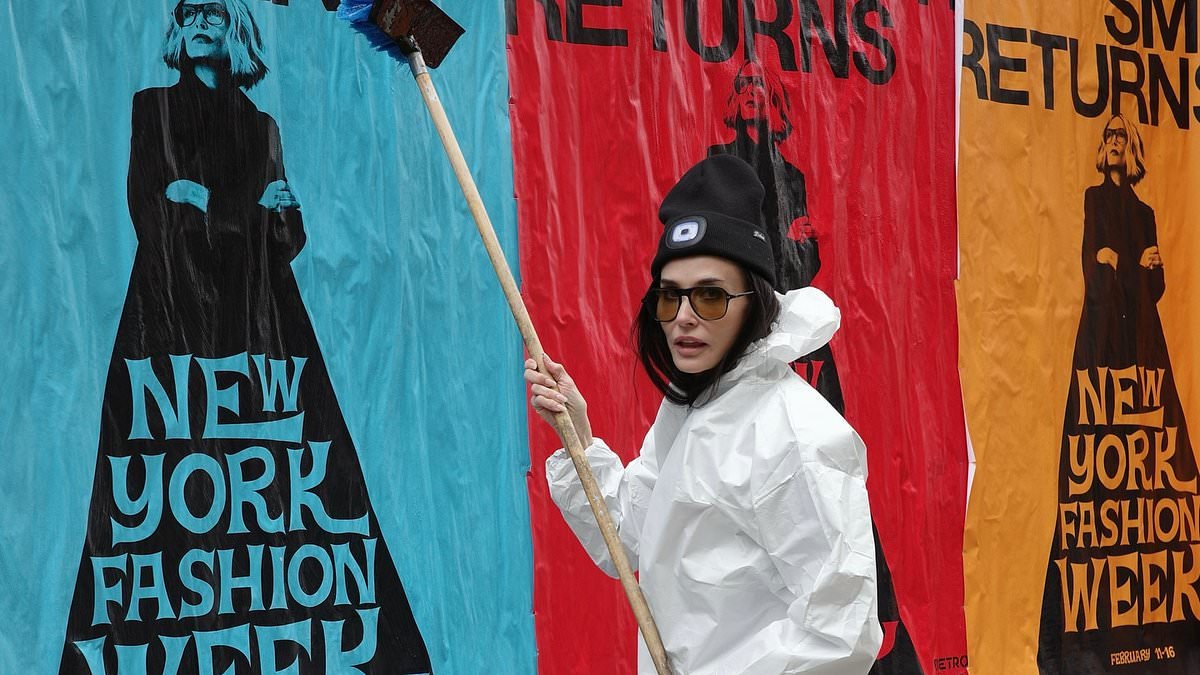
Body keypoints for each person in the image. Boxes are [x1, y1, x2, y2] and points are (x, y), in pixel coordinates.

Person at [58, 2, 431, 671]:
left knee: (296, 478)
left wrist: (232, 207)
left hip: (264, 327)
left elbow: (286, 233)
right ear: (176, 33)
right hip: (165, 330)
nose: (203, 21)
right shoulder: (152, 108)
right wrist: (244, 212)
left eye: (215, 14)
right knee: (157, 475)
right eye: (191, 13)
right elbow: (152, 210)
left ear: (236, 34)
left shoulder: (261, 126)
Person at [525, 155, 881, 674]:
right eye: (670, 298)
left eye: (710, 296)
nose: (684, 318)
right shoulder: (693, 409)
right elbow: (633, 540)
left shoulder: (796, 436)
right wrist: (580, 439)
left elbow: (840, 636)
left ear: (754, 300)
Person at [1037, 115, 1199, 673]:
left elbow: (1151, 287)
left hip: (1144, 343)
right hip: (1103, 342)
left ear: (1130, 151)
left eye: (1117, 137)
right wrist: (1121, 266)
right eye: (1105, 136)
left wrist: (1145, 269)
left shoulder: (1147, 212)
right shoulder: (1092, 198)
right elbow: (1093, 265)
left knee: (1158, 461)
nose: (1109, 144)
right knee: (1093, 458)